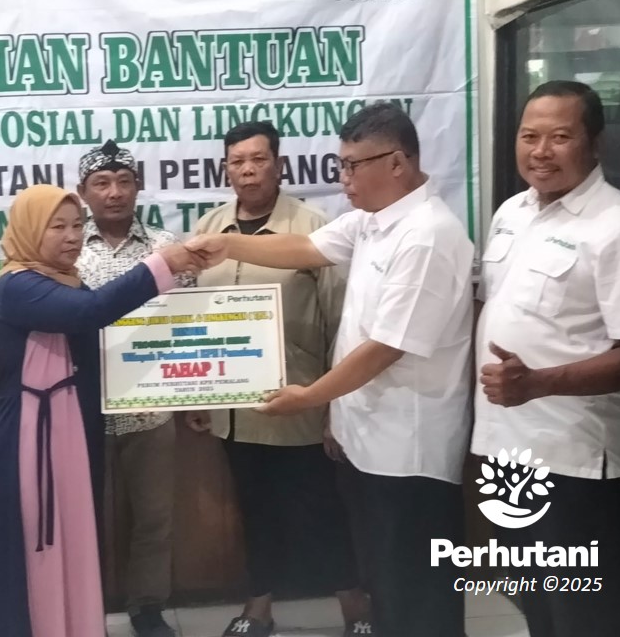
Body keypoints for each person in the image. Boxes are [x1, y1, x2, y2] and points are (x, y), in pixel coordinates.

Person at [186, 103, 473, 637]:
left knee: (417, 586)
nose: (343, 178)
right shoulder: (372, 221)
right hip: (369, 439)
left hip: (409, 448)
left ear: (397, 163)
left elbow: (386, 347)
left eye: (352, 166)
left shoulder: (428, 235)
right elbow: (306, 247)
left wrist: (310, 397)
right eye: (341, 165)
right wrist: (227, 243)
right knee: (389, 581)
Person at [0, 184, 201, 637]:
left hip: (71, 428)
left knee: (75, 536)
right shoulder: (16, 286)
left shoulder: (66, 280)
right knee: (34, 543)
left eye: (77, 225)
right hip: (30, 435)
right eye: (57, 226)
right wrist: (164, 263)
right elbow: (93, 310)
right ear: (28, 230)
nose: (72, 236)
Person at [474, 81, 620, 637]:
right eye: (529, 136)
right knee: (535, 604)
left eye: (559, 137)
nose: (540, 151)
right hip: (507, 451)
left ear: (595, 143)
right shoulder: (511, 212)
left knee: (587, 616)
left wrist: (538, 383)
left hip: (577, 462)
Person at [183, 121, 369, 637]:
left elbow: (340, 320)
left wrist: (334, 405)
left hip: (301, 403)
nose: (247, 170)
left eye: (258, 159)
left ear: (278, 165)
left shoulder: (312, 228)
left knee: (321, 511)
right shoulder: (208, 230)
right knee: (254, 511)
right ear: (226, 169)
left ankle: (356, 609)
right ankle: (258, 608)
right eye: (237, 161)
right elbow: (196, 315)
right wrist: (197, 392)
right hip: (235, 410)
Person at [75, 140, 192, 637]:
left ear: (139, 187)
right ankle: (84, 608)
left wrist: (193, 397)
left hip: (152, 406)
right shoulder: (67, 247)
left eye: (124, 181)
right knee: (84, 520)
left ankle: (147, 607)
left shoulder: (167, 247)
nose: (114, 192)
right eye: (101, 183)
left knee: (153, 518)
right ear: (83, 192)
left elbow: (188, 321)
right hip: (81, 409)